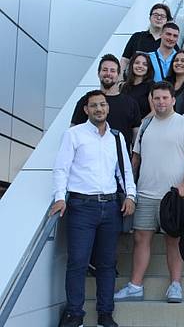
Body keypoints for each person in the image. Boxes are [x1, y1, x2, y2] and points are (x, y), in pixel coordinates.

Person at [52, 90, 136, 327]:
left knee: (107, 264)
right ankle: (74, 315)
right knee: (78, 262)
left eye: (102, 105)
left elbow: (125, 170)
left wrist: (130, 195)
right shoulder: (73, 135)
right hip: (81, 207)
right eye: (93, 106)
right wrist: (60, 197)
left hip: (111, 207)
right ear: (86, 110)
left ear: (107, 108)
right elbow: (61, 169)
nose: (99, 109)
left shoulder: (117, 137)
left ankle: (105, 314)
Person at [114, 81, 184, 303]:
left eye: (165, 98)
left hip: (174, 196)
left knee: (173, 240)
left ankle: (175, 285)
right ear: (151, 100)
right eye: (156, 98)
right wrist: (129, 188)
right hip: (145, 193)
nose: (161, 102)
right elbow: (136, 158)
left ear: (173, 100)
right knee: (141, 239)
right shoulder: (145, 125)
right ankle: (135, 286)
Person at [71, 54, 141, 152]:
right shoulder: (86, 101)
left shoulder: (131, 103)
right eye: (104, 70)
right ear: (98, 73)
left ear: (118, 75)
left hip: (120, 163)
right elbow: (73, 134)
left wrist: (134, 162)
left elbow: (136, 140)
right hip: (90, 162)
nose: (108, 73)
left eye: (112, 71)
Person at [120, 3, 175, 77]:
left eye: (162, 16)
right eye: (155, 15)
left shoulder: (170, 42)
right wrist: (120, 80)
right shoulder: (137, 37)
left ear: (166, 21)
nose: (159, 18)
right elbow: (125, 60)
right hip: (134, 83)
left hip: (157, 86)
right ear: (150, 18)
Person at [120, 52, 154, 119]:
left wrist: (139, 125)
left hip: (141, 127)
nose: (140, 66)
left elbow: (154, 111)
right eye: (137, 63)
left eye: (145, 64)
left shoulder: (151, 86)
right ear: (132, 65)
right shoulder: (124, 86)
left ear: (148, 68)